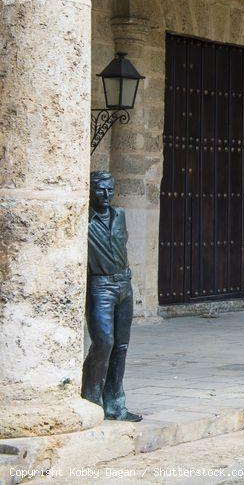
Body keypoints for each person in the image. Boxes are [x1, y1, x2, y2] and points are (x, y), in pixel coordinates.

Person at [81, 170, 141, 422]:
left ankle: (115, 405)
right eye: (99, 189)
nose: (105, 195)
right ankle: (90, 401)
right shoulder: (84, 220)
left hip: (123, 285)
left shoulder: (120, 215)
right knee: (104, 342)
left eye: (109, 189)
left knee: (121, 347)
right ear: (90, 190)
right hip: (100, 286)